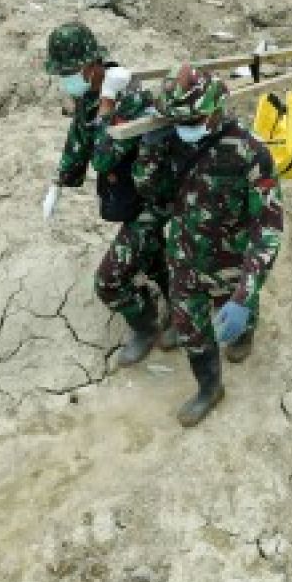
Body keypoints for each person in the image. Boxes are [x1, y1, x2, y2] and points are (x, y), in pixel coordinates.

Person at [134, 64, 284, 427]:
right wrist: (149, 154)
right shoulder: (169, 139)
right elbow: (151, 193)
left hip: (230, 264)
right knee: (192, 333)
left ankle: (245, 332)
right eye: (178, 121)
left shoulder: (250, 153)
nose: (185, 128)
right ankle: (209, 387)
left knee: (234, 317)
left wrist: (244, 296)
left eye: (194, 120)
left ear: (217, 110)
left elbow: (268, 228)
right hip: (184, 259)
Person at [41, 22, 175, 366]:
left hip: (152, 200)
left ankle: (146, 327)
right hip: (131, 195)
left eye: (68, 72)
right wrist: (60, 181)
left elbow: (103, 155)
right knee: (155, 255)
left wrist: (107, 106)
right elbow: (80, 136)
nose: (66, 80)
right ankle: (176, 305)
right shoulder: (91, 91)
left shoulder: (125, 97)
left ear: (90, 65)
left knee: (109, 281)